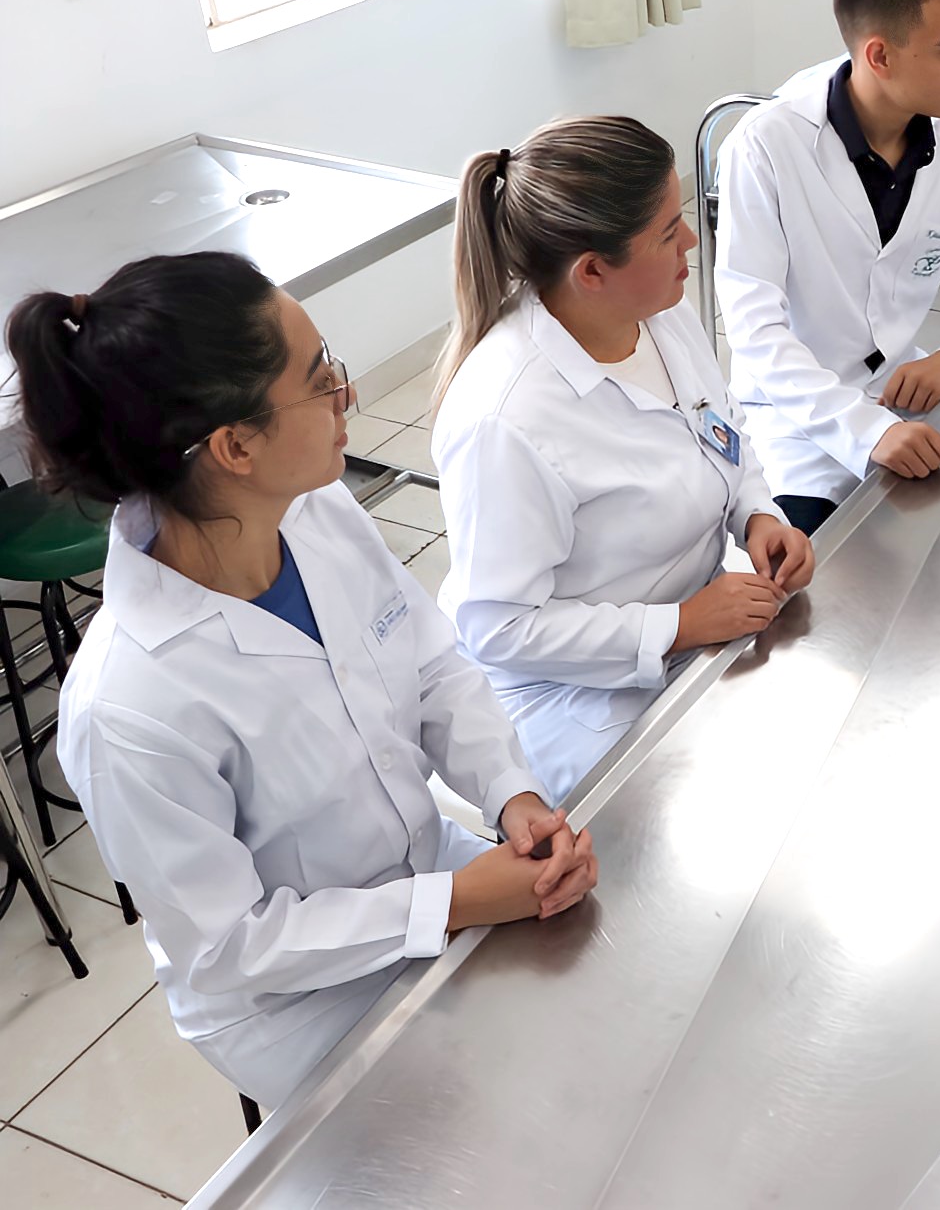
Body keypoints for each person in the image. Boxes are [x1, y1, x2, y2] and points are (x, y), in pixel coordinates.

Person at [12, 252, 598, 1108]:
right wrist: (447, 904)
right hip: (294, 1002)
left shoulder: (315, 509)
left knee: (590, 1025)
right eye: (320, 378)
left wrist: (512, 794)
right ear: (236, 445)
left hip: (426, 868)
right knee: (493, 1115)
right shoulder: (130, 704)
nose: (346, 393)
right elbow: (230, 947)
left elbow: (432, 663)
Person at [434, 116, 813, 801]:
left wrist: (759, 515)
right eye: (668, 233)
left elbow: (721, 427)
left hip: (692, 624)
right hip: (569, 697)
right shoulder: (506, 420)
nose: (690, 240)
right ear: (592, 271)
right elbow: (499, 629)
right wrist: (679, 625)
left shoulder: (659, 313)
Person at [717, 0, 940, 535]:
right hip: (795, 421)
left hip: (904, 395)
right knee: (812, 576)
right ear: (880, 56)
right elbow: (755, 331)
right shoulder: (765, 147)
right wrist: (867, 431)